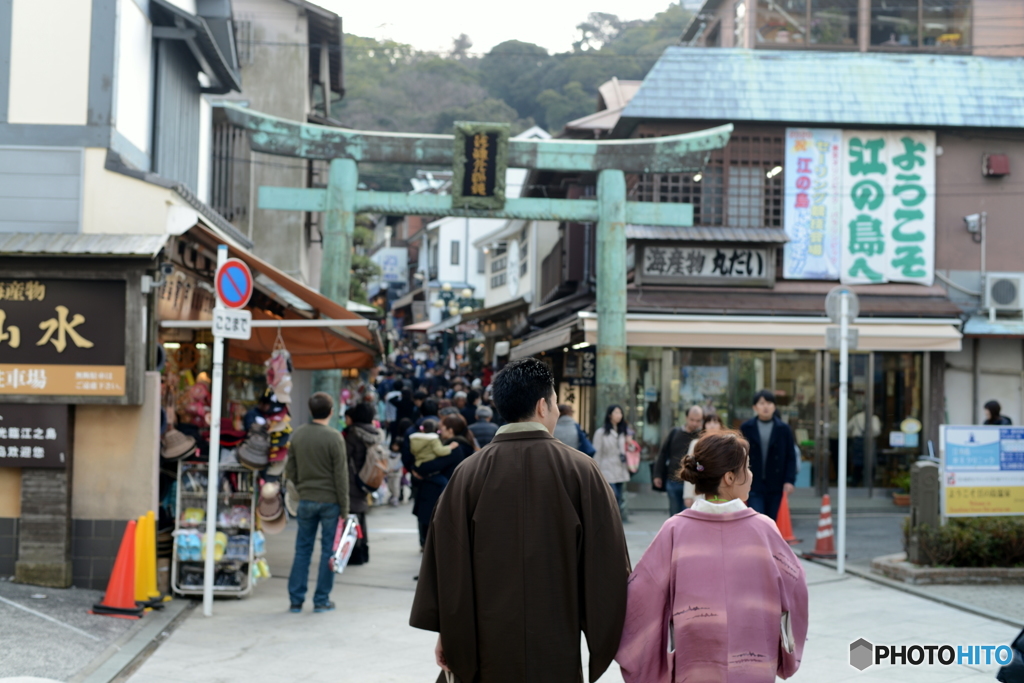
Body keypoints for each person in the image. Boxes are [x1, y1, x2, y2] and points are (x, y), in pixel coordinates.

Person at [411, 358, 631, 683]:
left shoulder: (468, 475)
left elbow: (448, 563)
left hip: (488, 650)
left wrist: (449, 631)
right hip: (557, 643)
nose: (556, 411)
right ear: (543, 406)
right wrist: (601, 638)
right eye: (555, 403)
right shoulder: (582, 472)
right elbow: (607, 565)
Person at [616, 431, 808, 682]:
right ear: (729, 477)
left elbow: (642, 594)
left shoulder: (675, 530)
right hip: (753, 659)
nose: (750, 475)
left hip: (696, 659)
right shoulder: (764, 530)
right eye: (747, 468)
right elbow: (796, 588)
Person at [285, 392, 349, 613]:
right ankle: (321, 600)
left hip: (306, 499)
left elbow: (289, 471)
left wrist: (302, 488)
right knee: (328, 552)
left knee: (302, 549)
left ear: (310, 410)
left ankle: (296, 599)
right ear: (331, 412)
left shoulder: (299, 435)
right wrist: (345, 507)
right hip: (331, 501)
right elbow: (341, 476)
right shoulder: (335, 437)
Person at [411, 414, 474, 549]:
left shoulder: (455, 448)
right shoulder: (453, 445)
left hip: (438, 496)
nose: (439, 431)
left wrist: (417, 467)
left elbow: (427, 467)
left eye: (442, 428)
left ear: (450, 430)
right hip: (437, 494)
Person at [740, 390, 797, 520]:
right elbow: (739, 456)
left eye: (769, 403)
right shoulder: (746, 428)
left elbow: (790, 456)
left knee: (772, 521)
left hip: (776, 483)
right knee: (757, 520)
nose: (765, 406)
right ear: (755, 407)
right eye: (761, 403)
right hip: (753, 483)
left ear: (774, 406)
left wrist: (789, 480)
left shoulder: (783, 429)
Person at [342, 403, 379, 566]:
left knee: (351, 518)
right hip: (366, 478)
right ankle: (363, 551)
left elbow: (344, 457)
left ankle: (354, 553)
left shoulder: (353, 434)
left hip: (351, 479)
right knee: (360, 516)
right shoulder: (375, 433)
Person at [652, 405, 704, 516]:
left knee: (689, 515)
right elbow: (663, 453)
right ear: (686, 418)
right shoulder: (675, 432)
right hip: (673, 480)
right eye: (692, 420)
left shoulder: (702, 437)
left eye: (698, 420)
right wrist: (657, 475)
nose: (694, 423)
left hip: (692, 482)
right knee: (675, 515)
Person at [592, 405, 631, 521]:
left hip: (620, 469)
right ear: (610, 415)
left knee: (618, 499)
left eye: (620, 413)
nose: (619, 415)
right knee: (613, 497)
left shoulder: (623, 432)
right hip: (606, 469)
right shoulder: (601, 433)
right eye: (616, 412)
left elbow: (630, 451)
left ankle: (614, 523)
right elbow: (597, 453)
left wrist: (631, 443)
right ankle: (609, 521)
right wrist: (595, 470)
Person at [683, 412, 724, 508]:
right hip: (700, 492)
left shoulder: (726, 444)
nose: (712, 425)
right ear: (704, 425)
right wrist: (688, 495)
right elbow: (690, 468)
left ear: (720, 425)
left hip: (721, 492)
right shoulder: (696, 444)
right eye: (709, 422)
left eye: (715, 422)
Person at [409, 418, 457, 486]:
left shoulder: (415, 439)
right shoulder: (433, 439)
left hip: (418, 463)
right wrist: (450, 447)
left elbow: (412, 451)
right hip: (428, 465)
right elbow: (439, 451)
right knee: (444, 483)